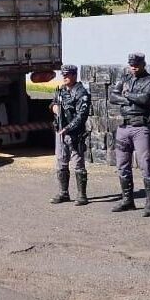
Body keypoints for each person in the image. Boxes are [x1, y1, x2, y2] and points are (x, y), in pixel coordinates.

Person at [108, 53, 150, 216]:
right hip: (124, 126)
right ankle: (127, 200)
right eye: (131, 64)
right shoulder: (124, 79)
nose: (133, 67)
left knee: (145, 165)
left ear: (143, 64)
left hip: (140, 127)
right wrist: (130, 99)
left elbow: (146, 99)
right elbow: (112, 97)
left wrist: (126, 95)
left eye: (136, 64)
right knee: (122, 165)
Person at [50, 65, 92, 205]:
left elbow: (81, 115)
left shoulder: (81, 93)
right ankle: (63, 193)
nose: (64, 77)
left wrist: (68, 128)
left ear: (74, 75)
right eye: (63, 75)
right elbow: (53, 103)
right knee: (61, 162)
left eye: (67, 75)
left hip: (74, 133)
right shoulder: (61, 90)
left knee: (78, 163)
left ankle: (82, 195)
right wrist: (53, 107)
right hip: (60, 131)